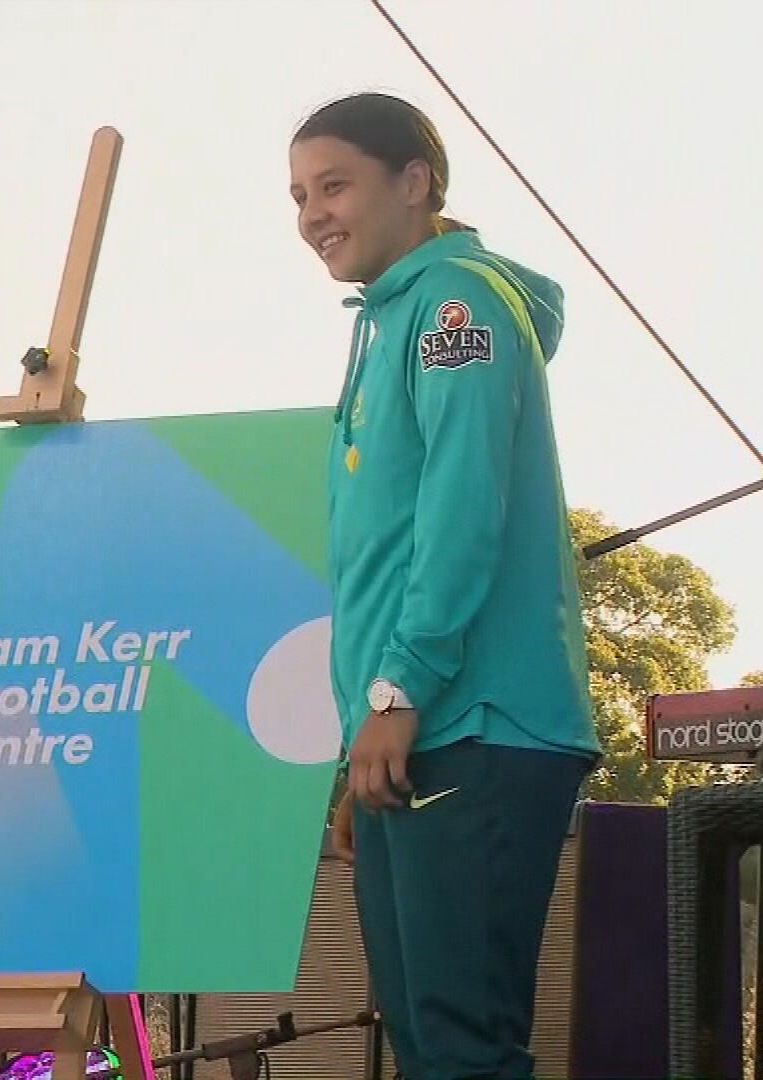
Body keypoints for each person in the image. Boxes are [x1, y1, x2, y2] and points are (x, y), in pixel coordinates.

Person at [289, 92, 600, 1080]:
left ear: (414, 182)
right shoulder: (390, 320)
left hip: (475, 723)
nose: (311, 215)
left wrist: (396, 693)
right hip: (416, 729)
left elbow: (461, 518)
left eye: (333, 184)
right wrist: (361, 744)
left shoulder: (454, 308)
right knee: (424, 1041)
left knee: (462, 1046)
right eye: (298, 195)